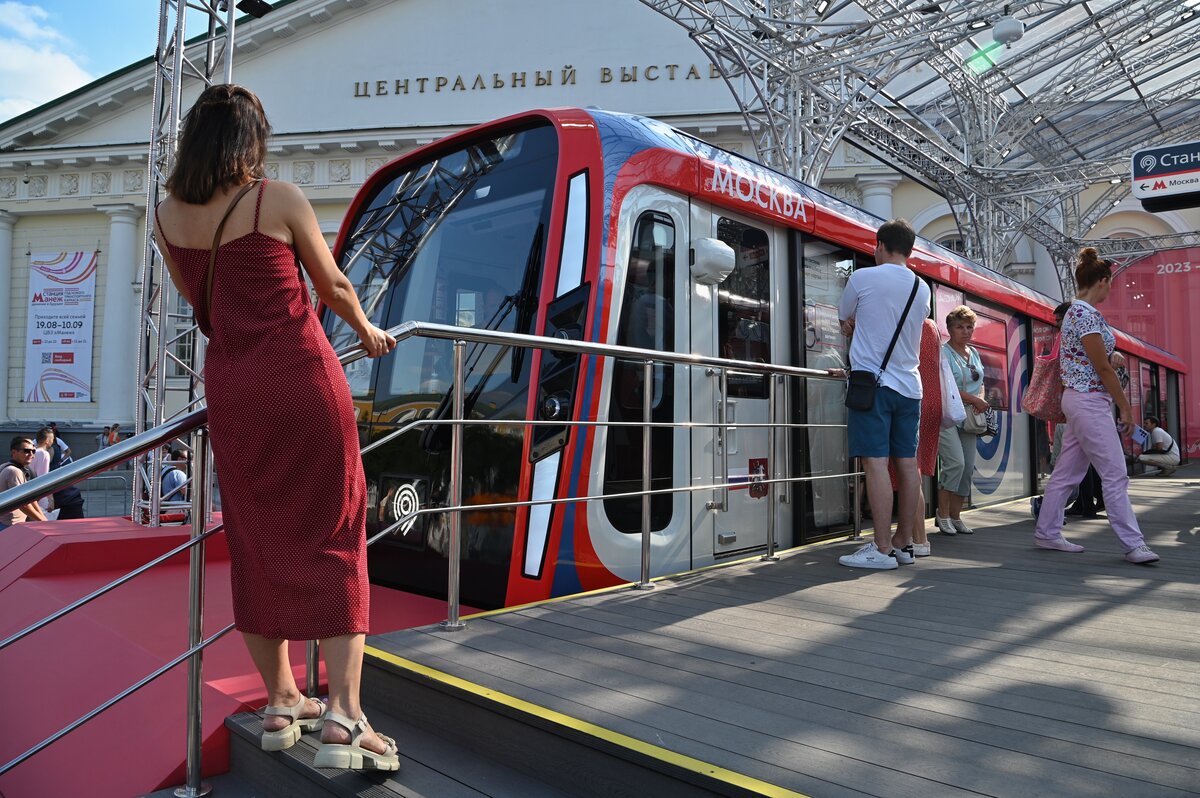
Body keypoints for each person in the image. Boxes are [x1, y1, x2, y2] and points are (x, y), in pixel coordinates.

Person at [153, 83, 399, 769]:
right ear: (250, 141)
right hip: (300, 381)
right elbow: (334, 287)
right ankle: (346, 722)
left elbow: (205, 304)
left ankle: (283, 700)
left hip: (235, 393)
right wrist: (368, 331)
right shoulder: (276, 198)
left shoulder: (167, 216)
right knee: (336, 534)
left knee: (257, 539)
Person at [1032, 248, 1158, 563]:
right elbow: (1102, 368)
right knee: (1115, 474)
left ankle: (1047, 532)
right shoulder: (1087, 314)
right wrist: (1126, 408)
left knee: (1065, 473)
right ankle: (1133, 544)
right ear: (1101, 280)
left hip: (1077, 400)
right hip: (1090, 402)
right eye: (1110, 283)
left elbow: (1092, 358)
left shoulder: (1074, 312)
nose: (1111, 289)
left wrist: (1110, 357)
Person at [836, 219, 932, 570]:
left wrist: (855, 324)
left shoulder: (861, 278)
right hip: (910, 387)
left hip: (872, 387)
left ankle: (879, 548)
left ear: (879, 246)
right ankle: (903, 544)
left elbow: (845, 316)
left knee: (874, 463)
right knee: (908, 464)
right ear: (909, 250)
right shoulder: (922, 288)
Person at [887, 318, 942, 557]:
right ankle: (916, 537)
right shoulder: (930, 325)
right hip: (930, 399)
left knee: (909, 469)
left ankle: (919, 539)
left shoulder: (901, 322)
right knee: (913, 468)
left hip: (911, 398)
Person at [935, 306, 989, 536]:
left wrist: (981, 400)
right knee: (955, 463)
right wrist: (973, 400)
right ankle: (942, 515)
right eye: (960, 327)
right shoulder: (944, 353)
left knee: (966, 469)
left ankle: (956, 517)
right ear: (949, 329)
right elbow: (945, 387)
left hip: (970, 417)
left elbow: (981, 382)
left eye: (969, 327)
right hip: (948, 415)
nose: (965, 331)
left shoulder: (974, 352)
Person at [1, 437, 49, 530]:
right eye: (27, 451)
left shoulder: (6, 466)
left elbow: (30, 499)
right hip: (10, 525)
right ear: (14, 452)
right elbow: (23, 503)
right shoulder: (13, 471)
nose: (31, 454)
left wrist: (43, 519)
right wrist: (44, 522)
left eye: (33, 451)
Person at [32, 427, 56, 516]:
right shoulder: (43, 453)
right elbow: (44, 478)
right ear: (47, 440)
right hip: (40, 498)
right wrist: (51, 500)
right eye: (52, 439)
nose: (53, 442)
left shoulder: (32, 452)